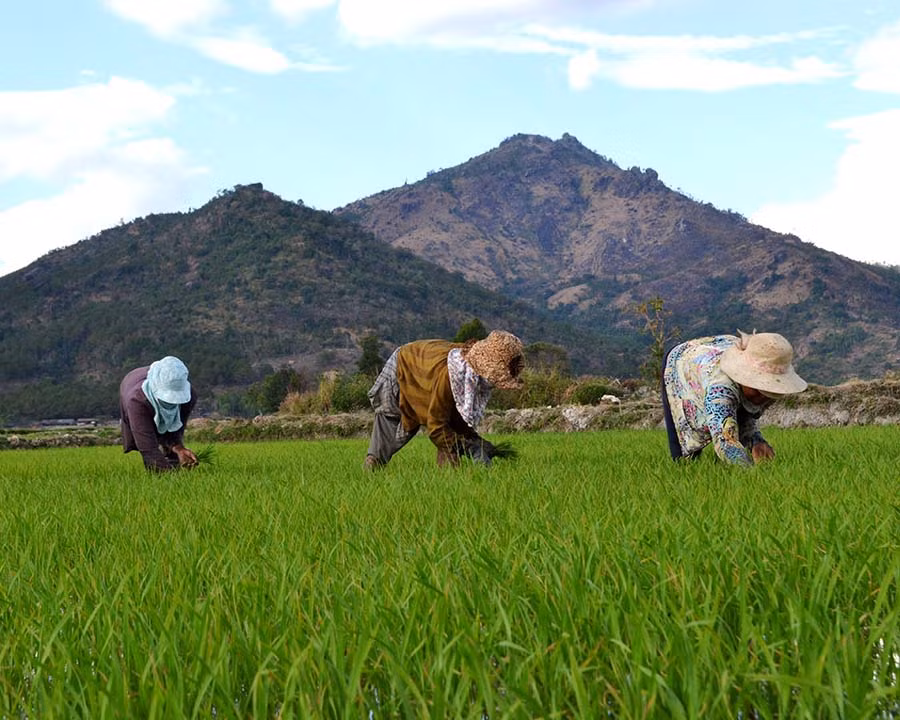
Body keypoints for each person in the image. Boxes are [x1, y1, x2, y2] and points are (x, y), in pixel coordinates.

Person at [364, 330, 525, 469]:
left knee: (449, 432)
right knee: (393, 424)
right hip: (403, 365)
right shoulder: (451, 375)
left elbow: (458, 416)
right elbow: (436, 426)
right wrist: (470, 447)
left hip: (426, 370)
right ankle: (371, 468)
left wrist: (477, 442)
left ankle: (448, 479)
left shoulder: (471, 373)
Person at [661, 330, 807, 466]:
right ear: (745, 379)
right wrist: (751, 475)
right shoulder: (720, 389)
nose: (763, 399)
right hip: (683, 363)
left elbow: (744, 416)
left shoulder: (767, 377)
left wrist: (756, 442)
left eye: (770, 394)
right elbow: (725, 441)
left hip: (720, 348)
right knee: (683, 460)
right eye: (759, 391)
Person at [119, 355, 198, 471]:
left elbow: (178, 427)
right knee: (147, 445)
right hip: (131, 384)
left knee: (172, 450)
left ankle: (173, 461)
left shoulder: (189, 396)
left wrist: (178, 448)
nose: (171, 401)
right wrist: (171, 480)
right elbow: (148, 448)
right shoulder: (136, 401)